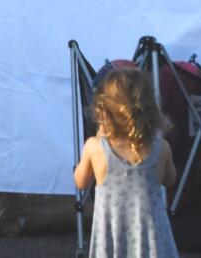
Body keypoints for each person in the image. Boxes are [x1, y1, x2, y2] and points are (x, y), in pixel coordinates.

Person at [74, 67, 179, 258]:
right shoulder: (161, 147)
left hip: (113, 239)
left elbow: (80, 182)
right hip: (151, 241)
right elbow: (170, 180)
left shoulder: (95, 147)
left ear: (103, 109)